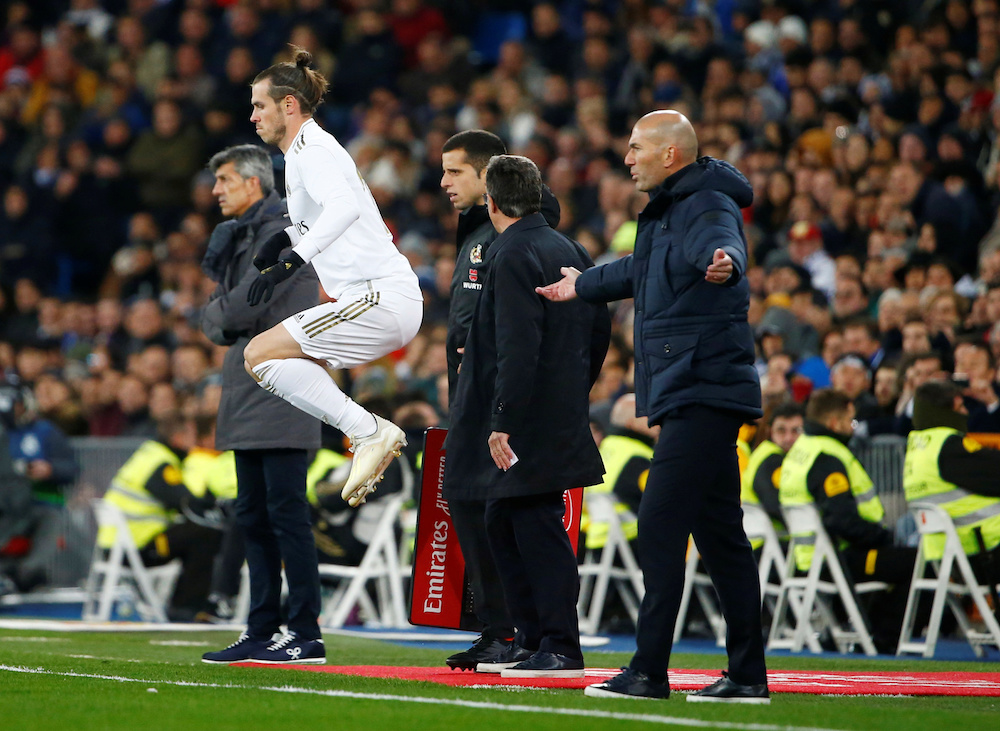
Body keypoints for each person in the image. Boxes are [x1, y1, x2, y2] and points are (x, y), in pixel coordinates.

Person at [538, 110, 768, 702]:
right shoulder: (672, 207)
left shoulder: (704, 202)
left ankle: (648, 671)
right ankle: (747, 674)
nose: (627, 157)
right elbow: (642, 271)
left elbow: (722, 243)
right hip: (695, 388)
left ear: (670, 154)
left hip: (703, 387)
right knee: (721, 537)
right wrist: (581, 284)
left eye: (637, 147)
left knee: (661, 523)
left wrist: (727, 261)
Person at [443, 154, 611, 679]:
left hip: (522, 417)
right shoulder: (568, 247)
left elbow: (517, 342)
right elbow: (599, 327)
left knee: (534, 523)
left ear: (491, 200)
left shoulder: (509, 251)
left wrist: (502, 418)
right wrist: (573, 387)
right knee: (506, 517)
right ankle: (535, 640)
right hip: (554, 407)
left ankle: (559, 645)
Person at [240, 47, 422, 512]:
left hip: (379, 295)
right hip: (378, 297)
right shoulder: (307, 151)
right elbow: (331, 208)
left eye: (260, 105)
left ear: (288, 105)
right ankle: (366, 432)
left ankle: (369, 431)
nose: (253, 115)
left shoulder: (311, 149)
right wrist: (284, 236)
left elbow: (344, 207)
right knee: (271, 361)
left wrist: (293, 259)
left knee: (259, 355)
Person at [198, 143, 325, 662]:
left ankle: (305, 632)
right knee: (252, 515)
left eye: (224, 180)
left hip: (283, 385)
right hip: (249, 389)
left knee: (286, 514)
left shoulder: (285, 236)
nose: (215, 191)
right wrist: (221, 315)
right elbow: (220, 316)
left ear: (254, 184)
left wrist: (219, 316)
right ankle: (261, 629)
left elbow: (236, 310)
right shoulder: (241, 237)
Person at [439, 129, 558, 670]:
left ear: (487, 176)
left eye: (454, 172)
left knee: (502, 516)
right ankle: (498, 629)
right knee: (470, 508)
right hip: (469, 397)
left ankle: (520, 631)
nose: (444, 183)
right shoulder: (476, 230)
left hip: (498, 404)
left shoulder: (519, 234)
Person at [779, 388, 917, 653]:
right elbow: (841, 520)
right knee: (916, 562)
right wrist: (882, 537)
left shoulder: (802, 449)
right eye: (850, 422)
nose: (853, 428)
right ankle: (882, 643)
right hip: (839, 557)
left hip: (810, 556)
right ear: (834, 422)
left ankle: (854, 633)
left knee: (895, 560)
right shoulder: (828, 456)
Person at [98, 414, 223, 622]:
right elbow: (184, 502)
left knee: (195, 534)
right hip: (138, 547)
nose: (196, 440)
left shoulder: (149, 454)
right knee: (204, 534)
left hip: (116, 544)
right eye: (191, 434)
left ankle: (187, 605)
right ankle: (185, 610)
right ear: (178, 438)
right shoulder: (162, 465)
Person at [904, 380, 1000, 585]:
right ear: (941, 412)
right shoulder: (950, 447)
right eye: (960, 407)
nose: (966, 412)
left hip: (949, 557)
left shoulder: (918, 447)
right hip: (984, 552)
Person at [741, 401, 805, 532]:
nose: (788, 438)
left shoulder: (765, 453)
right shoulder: (771, 460)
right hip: (766, 545)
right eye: (781, 430)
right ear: (770, 431)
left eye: (796, 431)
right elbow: (779, 507)